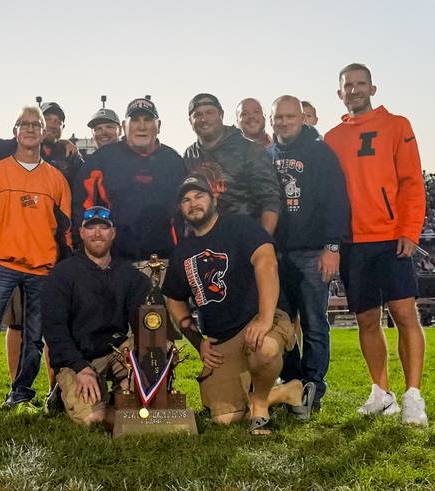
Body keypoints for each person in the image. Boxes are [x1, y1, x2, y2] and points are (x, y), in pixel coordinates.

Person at [163, 176, 309, 435]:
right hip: (223, 337)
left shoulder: (240, 226)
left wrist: (264, 319)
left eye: (199, 196)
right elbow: (174, 297)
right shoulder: (182, 252)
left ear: (214, 199)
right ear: (180, 209)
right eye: (186, 200)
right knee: (225, 417)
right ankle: (287, 391)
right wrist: (197, 341)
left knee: (263, 348)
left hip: (260, 317)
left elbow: (266, 262)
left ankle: (261, 409)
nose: (193, 203)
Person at [324, 63, 428, 426]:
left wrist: (410, 229)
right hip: (354, 242)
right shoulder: (332, 137)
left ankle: (413, 395)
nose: (353, 90)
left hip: (390, 237)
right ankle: (381, 393)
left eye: (360, 84)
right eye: (347, 86)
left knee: (403, 315)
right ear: (339, 93)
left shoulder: (397, 125)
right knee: (367, 319)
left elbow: (413, 181)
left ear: (372, 88)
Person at [0, 105, 72, 418]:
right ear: (15, 131)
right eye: (24, 124)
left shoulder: (56, 180)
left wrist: (62, 271)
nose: (31, 129)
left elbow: (66, 232)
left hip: (43, 270)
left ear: (44, 131)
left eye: (36, 124)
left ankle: (20, 396)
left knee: (34, 341)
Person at [270, 95, 351, 413]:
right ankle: (291, 383)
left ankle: (313, 389)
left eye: (291, 116)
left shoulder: (320, 152)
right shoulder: (267, 154)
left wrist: (332, 247)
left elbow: (336, 202)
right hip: (277, 254)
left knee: (315, 323)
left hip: (313, 251)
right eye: (279, 116)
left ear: (302, 118)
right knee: (283, 323)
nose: (284, 122)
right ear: (271, 118)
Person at [42, 206, 150, 425]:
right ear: (81, 233)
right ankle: (67, 397)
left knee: (158, 348)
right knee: (94, 419)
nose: (97, 233)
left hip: (115, 351)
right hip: (77, 358)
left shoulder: (129, 274)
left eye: (104, 228)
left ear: (113, 233)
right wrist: (81, 368)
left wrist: (152, 352)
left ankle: (123, 396)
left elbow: (141, 322)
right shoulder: (62, 274)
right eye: (91, 228)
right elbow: (54, 331)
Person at [74, 97, 188, 261]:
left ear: (159, 126)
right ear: (124, 126)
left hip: (167, 259)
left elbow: (187, 213)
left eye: (148, 120)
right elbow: (82, 207)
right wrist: (84, 254)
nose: (141, 126)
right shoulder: (102, 159)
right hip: (115, 261)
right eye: (135, 120)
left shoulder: (175, 161)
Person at [184, 93, 281, 234]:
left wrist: (262, 244)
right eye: (197, 115)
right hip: (205, 245)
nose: (204, 119)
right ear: (190, 121)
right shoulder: (189, 155)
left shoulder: (250, 149)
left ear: (221, 115)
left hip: (244, 239)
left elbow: (270, 201)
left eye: (209, 113)